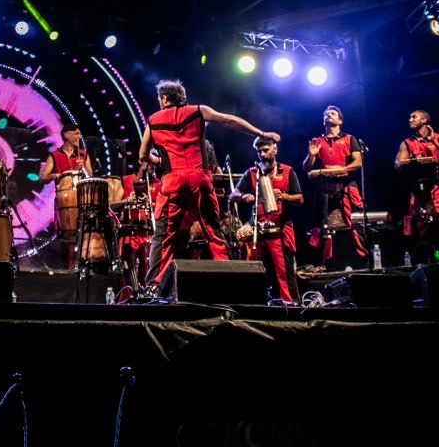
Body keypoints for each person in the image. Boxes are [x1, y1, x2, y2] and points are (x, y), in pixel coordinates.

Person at [138, 79, 280, 290]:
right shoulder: (198, 111)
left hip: (172, 182)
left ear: (165, 98)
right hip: (200, 179)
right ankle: (230, 284)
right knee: (213, 232)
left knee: (164, 236)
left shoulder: (153, 120)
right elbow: (229, 120)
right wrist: (262, 134)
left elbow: (142, 155)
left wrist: (159, 161)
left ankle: (153, 286)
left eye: (160, 98)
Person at [230, 136, 303, 302]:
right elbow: (232, 195)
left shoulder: (287, 171)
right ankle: (255, 304)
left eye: (266, 150)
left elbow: (300, 198)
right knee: (253, 270)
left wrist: (284, 196)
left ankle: (291, 305)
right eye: (259, 151)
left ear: (275, 149)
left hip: (280, 229)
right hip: (257, 228)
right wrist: (243, 196)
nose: (262, 154)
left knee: (284, 272)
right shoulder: (252, 173)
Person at [395, 110, 439, 262]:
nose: (410, 119)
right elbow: (398, 164)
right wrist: (414, 160)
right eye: (410, 117)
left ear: (424, 120)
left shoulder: (438, 138)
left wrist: (433, 140)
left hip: (436, 188)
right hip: (418, 190)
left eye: (414, 117)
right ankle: (426, 259)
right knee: (420, 225)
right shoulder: (407, 142)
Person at [304, 105, 367, 271]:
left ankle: (364, 264)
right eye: (326, 113)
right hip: (325, 193)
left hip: (346, 190)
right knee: (323, 230)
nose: (328, 114)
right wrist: (311, 155)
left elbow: (358, 163)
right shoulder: (317, 142)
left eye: (332, 113)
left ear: (340, 120)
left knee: (356, 228)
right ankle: (325, 266)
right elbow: (307, 168)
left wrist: (336, 170)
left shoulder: (350, 139)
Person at [41, 123, 95, 268]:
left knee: (83, 234)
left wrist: (83, 170)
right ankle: (64, 268)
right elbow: (43, 178)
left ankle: (81, 266)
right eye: (76, 133)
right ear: (66, 135)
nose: (79, 137)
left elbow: (91, 177)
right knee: (64, 238)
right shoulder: (55, 155)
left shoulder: (83, 155)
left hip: (82, 200)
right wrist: (54, 175)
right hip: (64, 201)